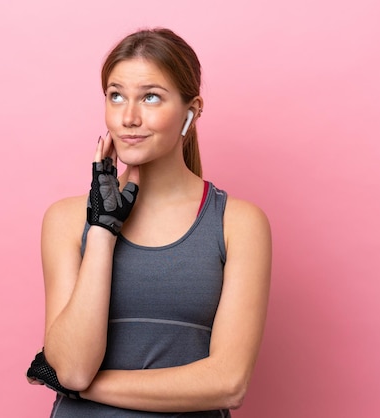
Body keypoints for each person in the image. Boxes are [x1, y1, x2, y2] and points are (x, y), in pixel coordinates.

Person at [26, 27, 272, 417]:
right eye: (116, 95)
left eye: (151, 97)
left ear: (193, 110)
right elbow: (73, 366)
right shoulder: (66, 220)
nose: (129, 117)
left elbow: (228, 383)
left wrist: (80, 388)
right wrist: (103, 230)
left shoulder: (238, 223)